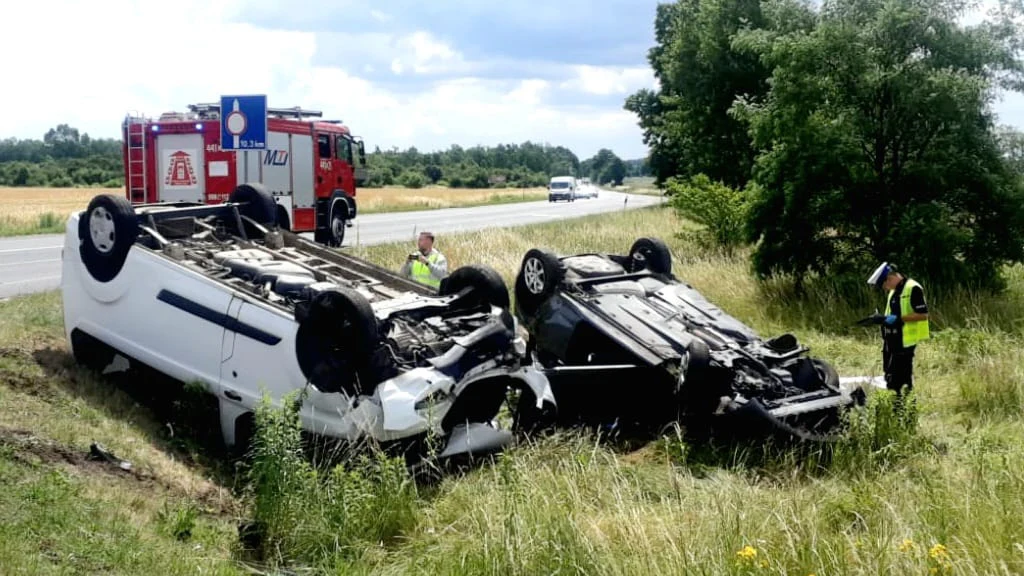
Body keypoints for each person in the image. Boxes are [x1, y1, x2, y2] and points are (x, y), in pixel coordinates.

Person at [866, 262, 930, 395]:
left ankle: (904, 405)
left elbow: (923, 315)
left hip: (904, 341)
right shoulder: (894, 291)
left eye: (884, 285)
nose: (885, 289)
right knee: (889, 375)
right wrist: (882, 319)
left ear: (889, 279)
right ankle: (896, 402)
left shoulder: (913, 288)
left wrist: (899, 319)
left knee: (900, 378)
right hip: (890, 340)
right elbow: (892, 313)